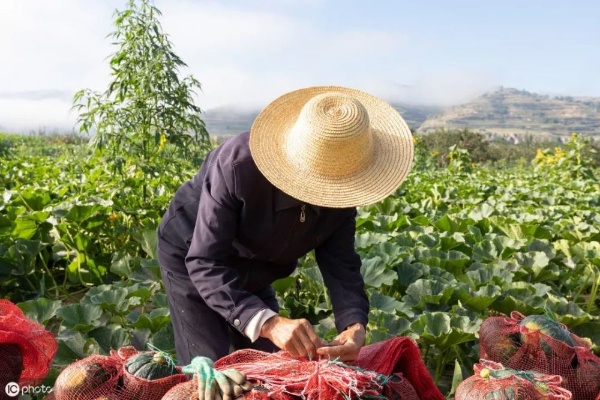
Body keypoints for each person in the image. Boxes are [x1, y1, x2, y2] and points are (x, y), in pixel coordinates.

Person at [157, 85, 414, 399]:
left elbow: (342, 266)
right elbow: (205, 261)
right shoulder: (238, 164)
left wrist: (353, 324)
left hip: (261, 265)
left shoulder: (343, 194)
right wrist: (269, 323)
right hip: (192, 255)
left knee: (271, 369)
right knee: (214, 376)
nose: (327, 196)